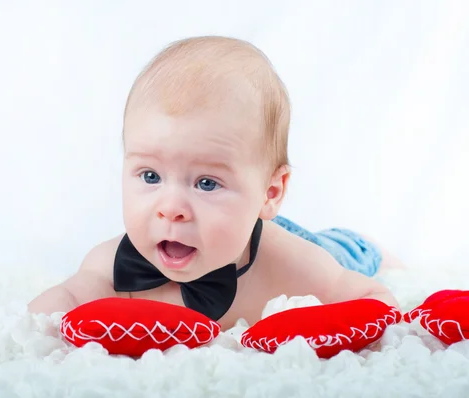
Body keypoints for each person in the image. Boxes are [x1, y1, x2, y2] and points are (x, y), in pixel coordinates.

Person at [28, 36, 402, 330]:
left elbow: (369, 297)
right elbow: (61, 303)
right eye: (151, 176)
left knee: (343, 252)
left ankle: (370, 247)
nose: (170, 208)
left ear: (270, 193)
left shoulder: (291, 263)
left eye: (206, 183)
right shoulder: (111, 266)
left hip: (276, 238)